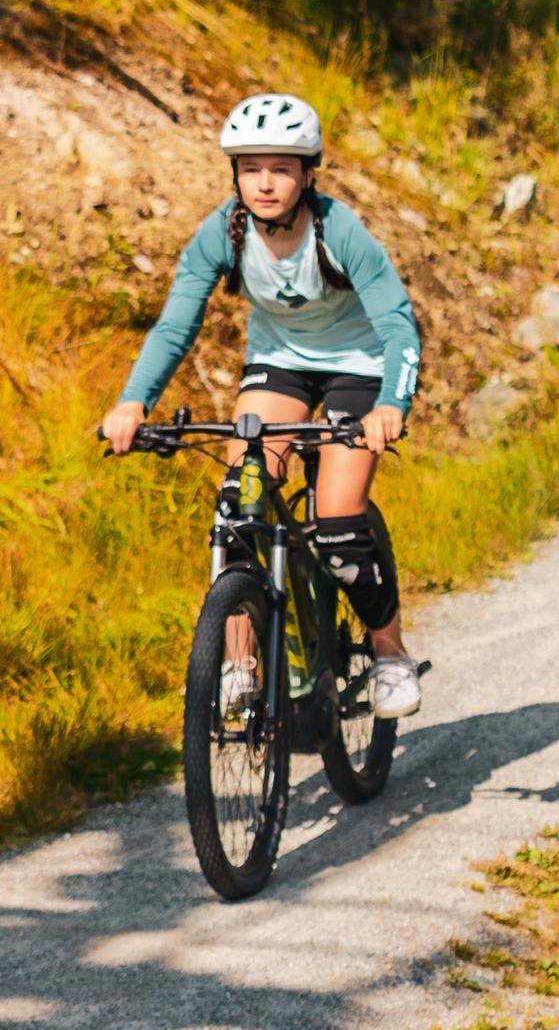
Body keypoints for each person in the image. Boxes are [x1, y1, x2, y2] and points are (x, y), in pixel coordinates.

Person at [100, 92, 428, 722]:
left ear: (309, 173)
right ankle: (240, 663)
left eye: (281, 168)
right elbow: (175, 327)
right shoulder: (223, 233)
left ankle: (389, 654)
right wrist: (133, 403)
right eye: (251, 169)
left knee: (336, 519)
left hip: (359, 369)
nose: (266, 183)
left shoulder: (339, 230)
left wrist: (392, 403)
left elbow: (397, 324)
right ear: (235, 175)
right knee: (239, 504)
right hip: (280, 365)